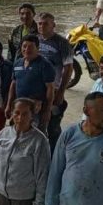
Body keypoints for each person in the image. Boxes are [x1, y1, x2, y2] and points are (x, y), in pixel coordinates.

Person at [37, 12, 74, 152]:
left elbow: (68, 68)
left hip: (54, 90)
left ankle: (56, 154)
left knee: (52, 126)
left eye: (45, 23)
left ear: (53, 25)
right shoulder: (35, 40)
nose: (42, 26)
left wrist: (61, 92)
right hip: (37, 90)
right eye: (40, 23)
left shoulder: (62, 43)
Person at [5, 35, 55, 133]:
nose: (27, 49)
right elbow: (13, 84)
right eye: (24, 46)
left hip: (36, 110)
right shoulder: (18, 63)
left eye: (31, 47)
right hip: (19, 107)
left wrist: (47, 110)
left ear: (37, 48)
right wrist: (8, 105)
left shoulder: (45, 65)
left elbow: (50, 88)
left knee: (35, 135)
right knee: (17, 133)